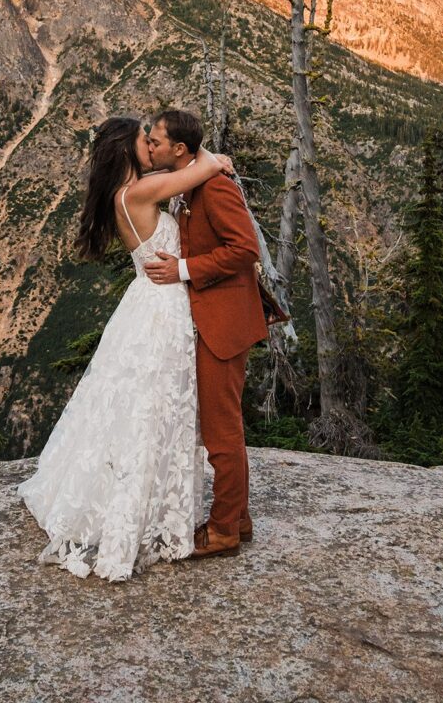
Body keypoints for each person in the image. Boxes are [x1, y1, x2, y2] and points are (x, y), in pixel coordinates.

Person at [15, 116, 232, 582]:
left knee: (145, 407)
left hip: (149, 303)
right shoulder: (137, 194)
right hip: (162, 309)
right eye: (143, 140)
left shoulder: (138, 188)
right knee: (154, 409)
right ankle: (140, 512)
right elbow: (202, 169)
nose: (150, 145)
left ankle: (146, 503)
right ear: (127, 150)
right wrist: (219, 159)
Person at [144, 109, 268, 560]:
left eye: (155, 140)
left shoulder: (214, 187)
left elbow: (245, 248)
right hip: (210, 319)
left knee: (222, 432)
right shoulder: (192, 176)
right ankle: (237, 518)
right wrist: (212, 157)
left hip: (224, 323)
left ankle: (223, 532)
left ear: (179, 149)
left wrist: (182, 270)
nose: (149, 146)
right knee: (222, 426)